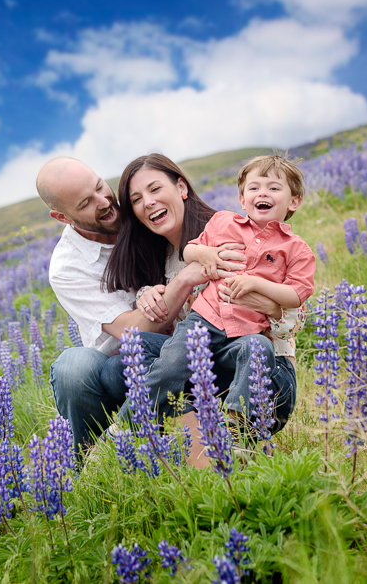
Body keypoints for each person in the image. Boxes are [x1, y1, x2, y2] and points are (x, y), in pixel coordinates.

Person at [141, 154, 315, 449]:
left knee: (257, 348)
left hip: (246, 332)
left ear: (293, 202)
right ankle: (135, 422)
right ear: (242, 199)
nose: (263, 193)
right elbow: (190, 251)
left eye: (273, 188)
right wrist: (206, 255)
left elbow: (297, 295)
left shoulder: (296, 249)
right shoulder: (222, 222)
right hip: (205, 319)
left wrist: (259, 285)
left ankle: (237, 433)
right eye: (254, 188)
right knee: (169, 362)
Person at [35, 157, 175, 455]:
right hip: (117, 369)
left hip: (185, 342)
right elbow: (132, 332)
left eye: (100, 186)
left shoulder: (142, 208)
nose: (104, 201)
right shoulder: (67, 266)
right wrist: (185, 281)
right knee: (73, 368)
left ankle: (150, 438)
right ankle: (95, 458)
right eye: (86, 203)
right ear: (62, 217)